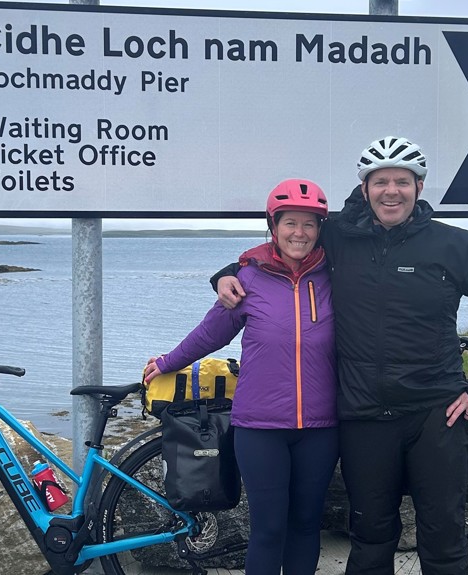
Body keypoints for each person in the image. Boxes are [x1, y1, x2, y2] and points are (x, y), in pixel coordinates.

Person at [214, 136, 468, 574]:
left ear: (419, 187)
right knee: (370, 536)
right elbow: (287, 243)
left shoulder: (455, 245)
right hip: (364, 416)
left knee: (442, 535)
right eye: (380, 181)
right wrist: (230, 271)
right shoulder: (341, 235)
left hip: (435, 414)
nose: (391, 191)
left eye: (402, 181)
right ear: (364, 189)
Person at [144, 178, 339, 575]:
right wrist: (167, 362)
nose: (299, 233)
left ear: (320, 229)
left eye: (309, 224)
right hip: (259, 426)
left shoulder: (336, 278)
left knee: (305, 525)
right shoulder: (246, 280)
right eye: (290, 223)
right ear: (273, 225)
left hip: (321, 427)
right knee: (268, 529)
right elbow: (210, 334)